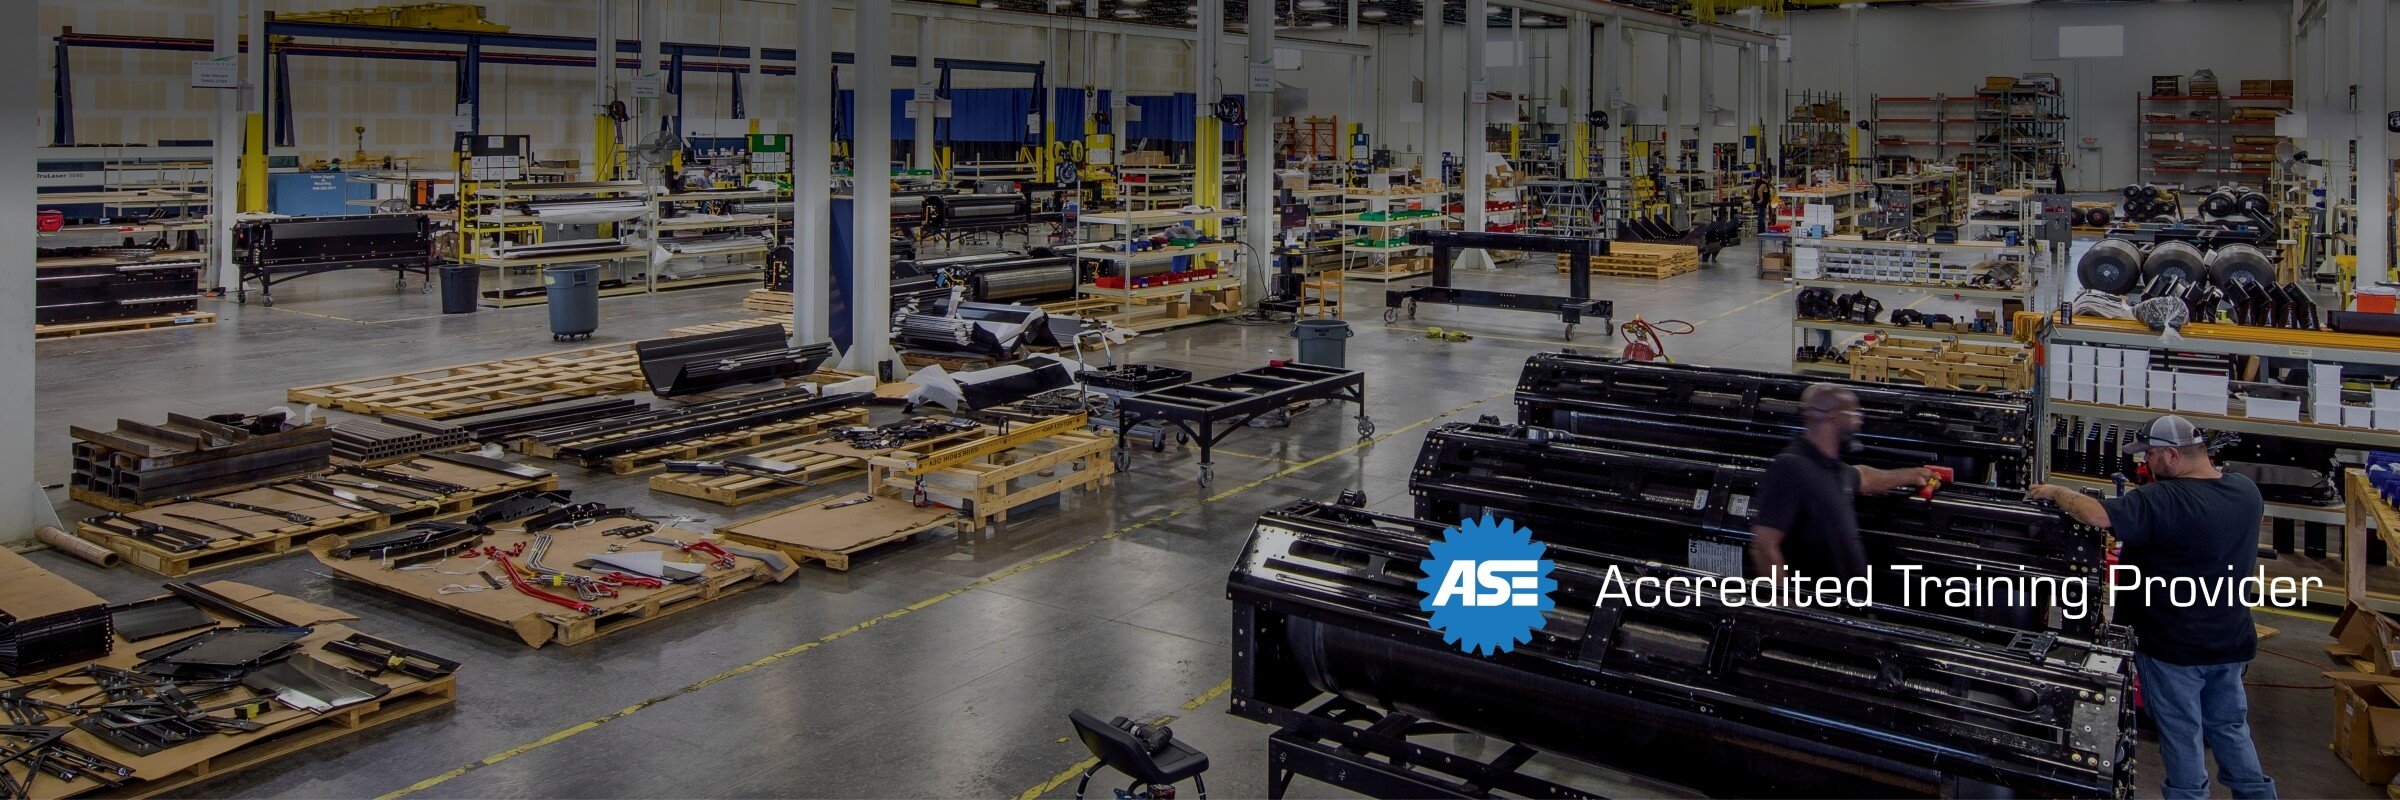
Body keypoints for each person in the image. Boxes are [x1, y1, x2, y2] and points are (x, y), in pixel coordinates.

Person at [2027, 416, 2274, 800]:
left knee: (2180, 730)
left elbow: (2096, 515)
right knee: (2230, 726)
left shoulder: (2164, 499)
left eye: (2150, 456)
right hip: (2231, 641)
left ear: (2172, 455)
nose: (2144, 465)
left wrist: (2058, 492)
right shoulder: (2246, 492)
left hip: (2173, 647)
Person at [1747, 384, 1936, 580]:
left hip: (1848, 603)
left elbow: (1865, 476)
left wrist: (1914, 474)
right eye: (1854, 414)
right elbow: (1763, 545)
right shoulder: (1791, 468)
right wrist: (1785, 603)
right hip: (1819, 605)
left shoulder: (1833, 469)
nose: (1858, 423)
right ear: (1834, 416)